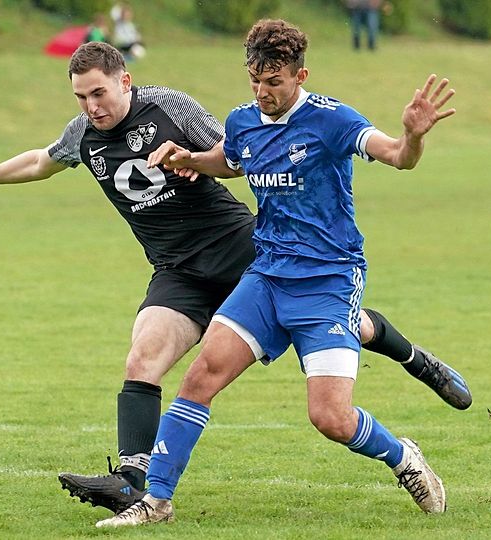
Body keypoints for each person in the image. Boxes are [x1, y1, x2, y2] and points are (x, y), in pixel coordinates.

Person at [0, 41, 469, 515]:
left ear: (125, 81)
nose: (91, 107)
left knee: (336, 362)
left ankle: (410, 357)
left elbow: (237, 152)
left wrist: (192, 158)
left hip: (241, 248)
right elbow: (42, 162)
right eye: (80, 98)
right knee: (148, 360)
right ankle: (139, 486)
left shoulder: (171, 106)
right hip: (184, 271)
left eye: (98, 94)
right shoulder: (86, 135)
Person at [96, 19, 458, 527]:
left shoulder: (333, 120)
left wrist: (412, 137)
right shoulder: (243, 120)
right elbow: (229, 160)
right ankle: (156, 501)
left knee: (329, 418)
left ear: (299, 75)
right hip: (265, 276)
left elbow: (398, 157)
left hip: (328, 280)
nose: (263, 93)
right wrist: (190, 159)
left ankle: (402, 457)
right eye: (255, 81)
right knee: (200, 378)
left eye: (274, 82)